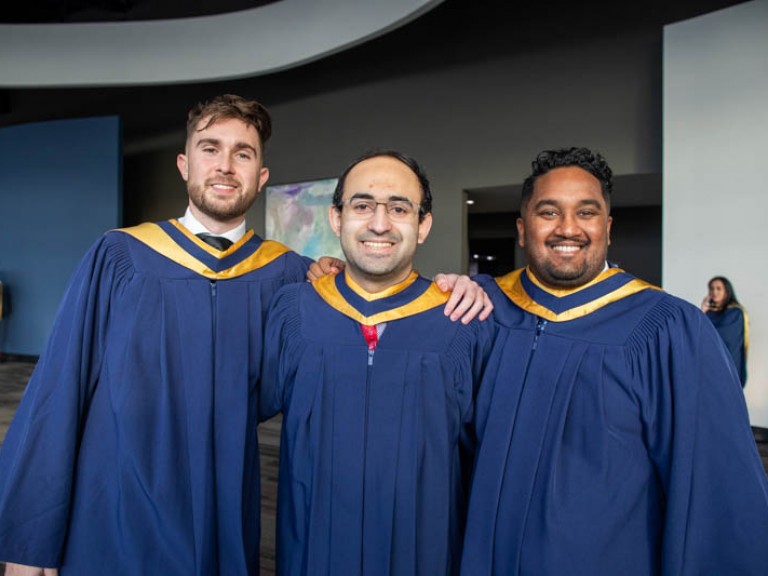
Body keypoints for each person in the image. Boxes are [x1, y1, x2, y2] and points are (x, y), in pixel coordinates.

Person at [0, 95, 487, 576]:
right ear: (184, 163)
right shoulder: (120, 257)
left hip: (224, 510)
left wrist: (461, 287)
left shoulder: (291, 278)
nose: (225, 166)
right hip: (115, 507)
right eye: (210, 148)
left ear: (262, 175)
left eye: (243, 153)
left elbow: (373, 316)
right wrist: (29, 537)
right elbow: (57, 394)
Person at [460, 147, 768, 575]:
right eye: (548, 212)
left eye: (586, 213)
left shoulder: (668, 328)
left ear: (607, 227)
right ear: (521, 227)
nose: (568, 228)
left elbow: (716, 489)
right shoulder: (480, 313)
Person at [259, 150, 494, 575]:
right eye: (362, 205)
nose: (379, 223)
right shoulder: (292, 310)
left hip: (426, 554)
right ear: (336, 218)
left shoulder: (463, 321)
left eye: (399, 208)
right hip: (314, 551)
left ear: (423, 225)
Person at [701, 275, 749, 386]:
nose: (714, 292)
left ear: (727, 291)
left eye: (718, 288)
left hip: (728, 364)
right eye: (711, 288)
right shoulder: (709, 312)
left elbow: (723, 336)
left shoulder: (735, 313)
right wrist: (703, 312)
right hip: (709, 364)